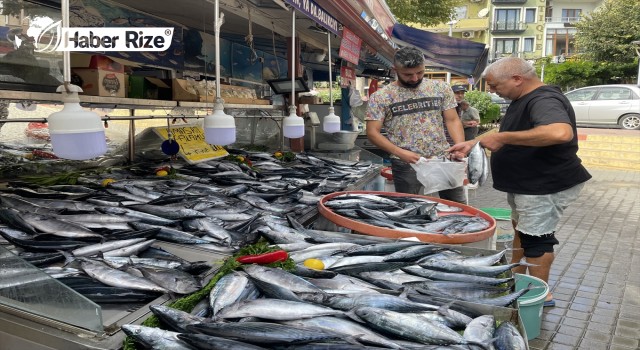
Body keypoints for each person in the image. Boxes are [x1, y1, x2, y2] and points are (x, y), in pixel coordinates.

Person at [448, 57, 592, 307]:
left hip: (544, 185)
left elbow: (560, 132)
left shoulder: (543, 99)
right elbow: (512, 134)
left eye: (494, 85)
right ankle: (516, 278)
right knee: (521, 229)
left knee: (537, 239)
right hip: (527, 184)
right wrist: (474, 143)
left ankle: (540, 295)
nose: (491, 91)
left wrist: (503, 138)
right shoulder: (521, 98)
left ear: (517, 79)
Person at [366, 46, 466, 203]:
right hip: (406, 162)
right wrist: (400, 153)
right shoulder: (381, 97)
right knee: (410, 209)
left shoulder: (440, 88)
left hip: (443, 157)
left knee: (458, 206)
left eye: (419, 72)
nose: (414, 78)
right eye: (407, 74)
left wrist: (460, 146)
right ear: (395, 69)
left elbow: (452, 119)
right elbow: (372, 132)